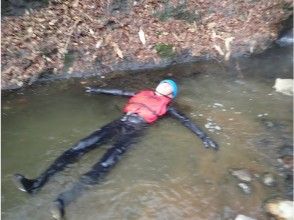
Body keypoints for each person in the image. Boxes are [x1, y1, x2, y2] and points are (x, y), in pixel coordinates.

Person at [13, 79, 219, 219]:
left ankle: (62, 201)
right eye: (162, 83)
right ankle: (35, 184)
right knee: (78, 148)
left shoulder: (168, 107)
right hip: (118, 123)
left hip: (135, 131)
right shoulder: (142, 93)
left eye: (168, 86)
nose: (163, 86)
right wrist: (96, 90)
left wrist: (204, 137)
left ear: (171, 94)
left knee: (104, 165)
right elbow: (119, 92)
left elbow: (186, 121)